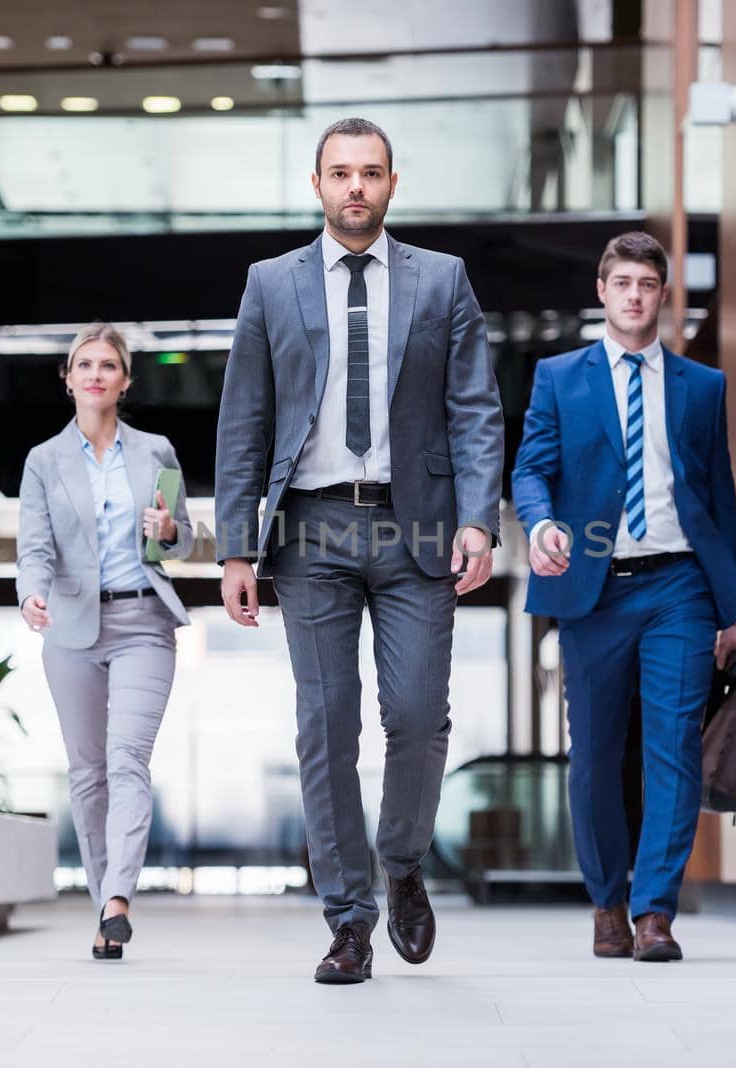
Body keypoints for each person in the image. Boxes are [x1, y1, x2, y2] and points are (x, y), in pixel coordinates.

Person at [214, 117, 503, 984]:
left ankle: (404, 858)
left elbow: (476, 410)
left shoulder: (443, 281)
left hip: (418, 526)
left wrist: (479, 520)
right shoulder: (271, 285)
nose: (355, 188)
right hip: (310, 527)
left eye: (370, 173)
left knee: (416, 715)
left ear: (391, 183)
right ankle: (347, 917)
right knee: (325, 724)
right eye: (340, 173)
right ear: (317, 185)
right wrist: (236, 547)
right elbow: (245, 421)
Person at [510, 232, 736, 963]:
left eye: (648, 283)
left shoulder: (702, 387)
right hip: (593, 587)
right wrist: (542, 524)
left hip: (680, 584)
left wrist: (733, 611)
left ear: (663, 293)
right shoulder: (559, 377)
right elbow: (531, 469)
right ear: (603, 291)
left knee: (673, 746)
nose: (636, 295)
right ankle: (607, 902)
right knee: (593, 758)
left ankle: (654, 911)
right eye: (623, 283)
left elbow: (719, 498)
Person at [16, 322, 194, 961]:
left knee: (126, 762)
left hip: (144, 621)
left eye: (108, 365)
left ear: (124, 381)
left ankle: (118, 897)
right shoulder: (44, 460)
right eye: (83, 364)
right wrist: (31, 593)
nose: (95, 374)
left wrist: (169, 527)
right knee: (89, 775)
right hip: (69, 629)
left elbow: (183, 539)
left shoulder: (156, 452)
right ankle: (103, 909)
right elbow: (34, 546)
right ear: (68, 379)